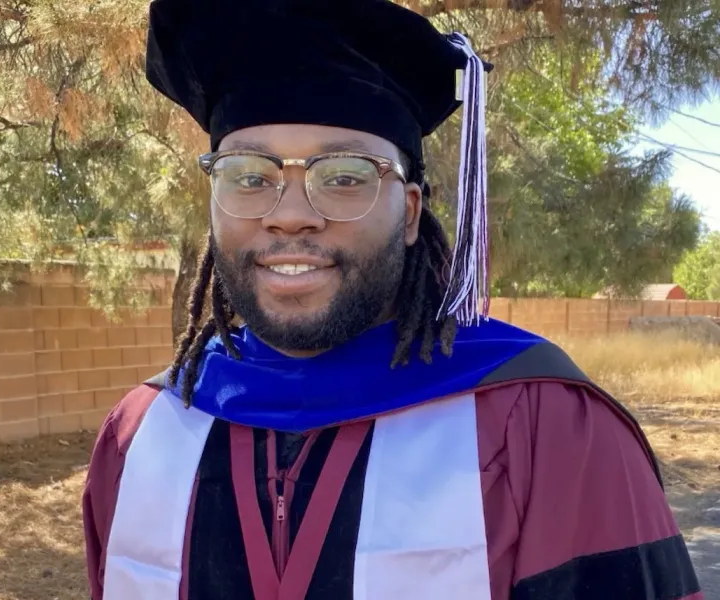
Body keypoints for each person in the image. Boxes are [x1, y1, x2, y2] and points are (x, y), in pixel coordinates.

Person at [82, 0, 704, 598]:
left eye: (345, 176)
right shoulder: (142, 435)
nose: (291, 216)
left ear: (409, 212)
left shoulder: (543, 423)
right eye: (249, 176)